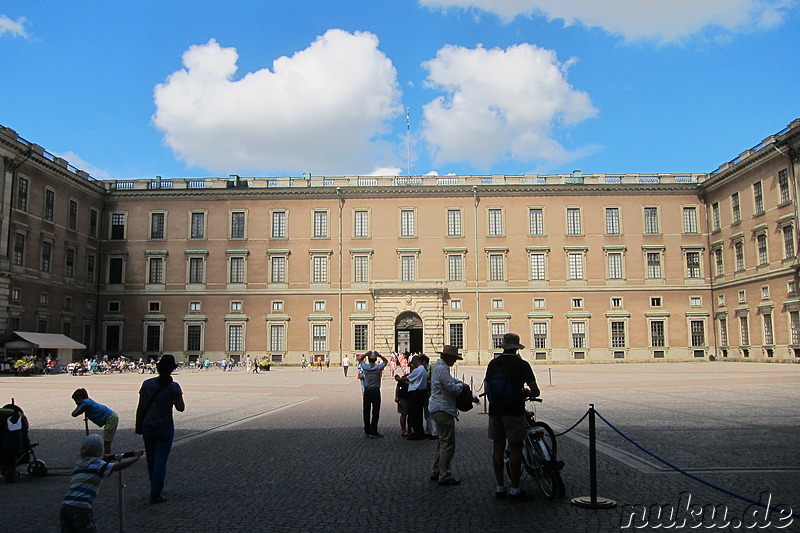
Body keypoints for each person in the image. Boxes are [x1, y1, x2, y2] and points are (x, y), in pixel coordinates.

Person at [484, 333, 540, 502]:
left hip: (495, 410)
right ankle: (515, 489)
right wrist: (529, 393)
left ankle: (500, 487)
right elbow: (535, 390)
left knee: (498, 447)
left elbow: (487, 387)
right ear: (517, 348)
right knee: (516, 447)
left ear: (503, 346)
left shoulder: (493, 364)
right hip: (514, 410)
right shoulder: (522, 364)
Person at [60, 434, 143, 532]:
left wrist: (102, 458)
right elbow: (117, 466)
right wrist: (135, 457)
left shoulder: (80, 464)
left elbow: (94, 461)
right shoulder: (98, 465)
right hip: (80, 507)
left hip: (66, 505)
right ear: (100, 450)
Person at [135, 354, 185, 504]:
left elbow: (140, 407)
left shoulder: (147, 384)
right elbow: (181, 408)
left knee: (151, 459)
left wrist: (138, 425)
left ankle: (155, 487)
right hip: (164, 427)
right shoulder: (173, 386)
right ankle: (156, 492)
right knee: (161, 459)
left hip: (148, 426)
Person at [428, 345, 464, 486]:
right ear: (447, 357)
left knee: (441, 443)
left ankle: (436, 471)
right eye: (454, 358)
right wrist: (461, 386)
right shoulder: (442, 369)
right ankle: (445, 476)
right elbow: (452, 388)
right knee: (448, 444)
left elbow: (447, 380)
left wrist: (457, 381)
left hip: (437, 408)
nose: (454, 361)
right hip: (443, 409)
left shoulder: (439, 368)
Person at [70, 389, 120, 455]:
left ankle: (107, 458)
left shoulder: (86, 402)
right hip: (110, 417)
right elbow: (74, 414)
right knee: (107, 440)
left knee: (107, 441)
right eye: (75, 401)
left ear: (84, 397)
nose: (77, 402)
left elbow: (75, 414)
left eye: (78, 399)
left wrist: (80, 409)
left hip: (111, 418)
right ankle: (106, 456)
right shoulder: (85, 403)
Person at [358, 351, 388, 438]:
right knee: (375, 411)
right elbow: (386, 361)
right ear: (375, 360)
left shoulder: (365, 367)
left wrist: (365, 354)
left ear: (368, 359)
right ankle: (373, 430)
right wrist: (380, 355)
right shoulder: (378, 368)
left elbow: (360, 360)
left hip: (367, 390)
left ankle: (367, 430)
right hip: (375, 391)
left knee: (366, 411)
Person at [399, 355, 428, 440]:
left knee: (413, 414)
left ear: (416, 362)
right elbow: (414, 382)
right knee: (418, 414)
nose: (412, 365)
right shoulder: (423, 369)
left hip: (415, 394)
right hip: (420, 393)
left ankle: (417, 433)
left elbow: (408, 378)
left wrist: (399, 379)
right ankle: (420, 432)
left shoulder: (418, 369)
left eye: (413, 363)